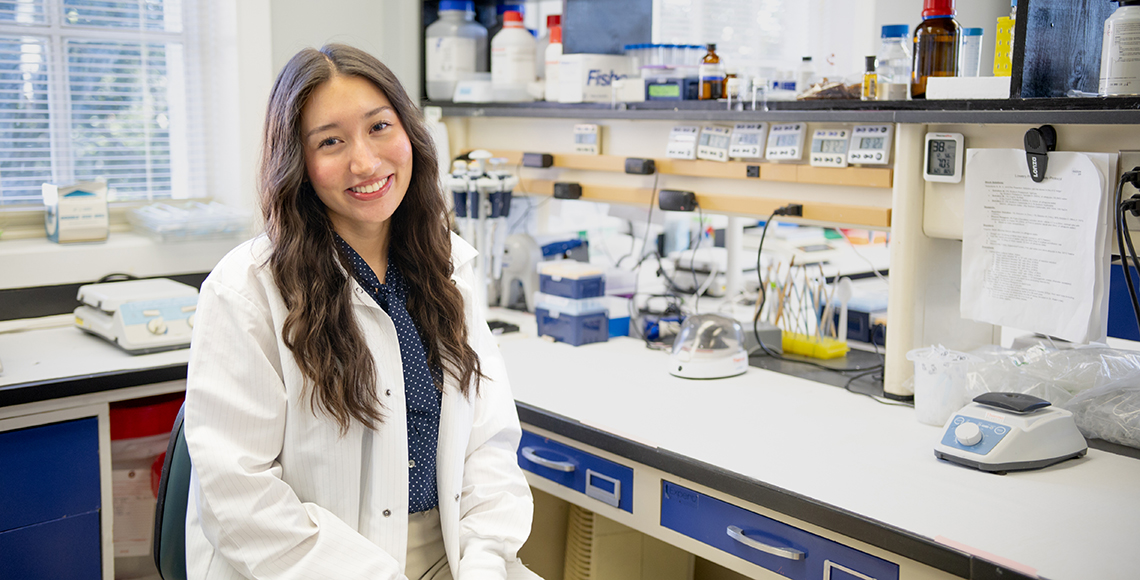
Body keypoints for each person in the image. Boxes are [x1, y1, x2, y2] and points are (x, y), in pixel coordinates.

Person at [183, 43, 541, 580]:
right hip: (309, 564)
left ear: (410, 133)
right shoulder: (245, 292)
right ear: (297, 163)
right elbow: (238, 494)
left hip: (450, 550)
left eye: (379, 127)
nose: (366, 162)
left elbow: (487, 444)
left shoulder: (447, 269)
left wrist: (486, 560)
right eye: (331, 141)